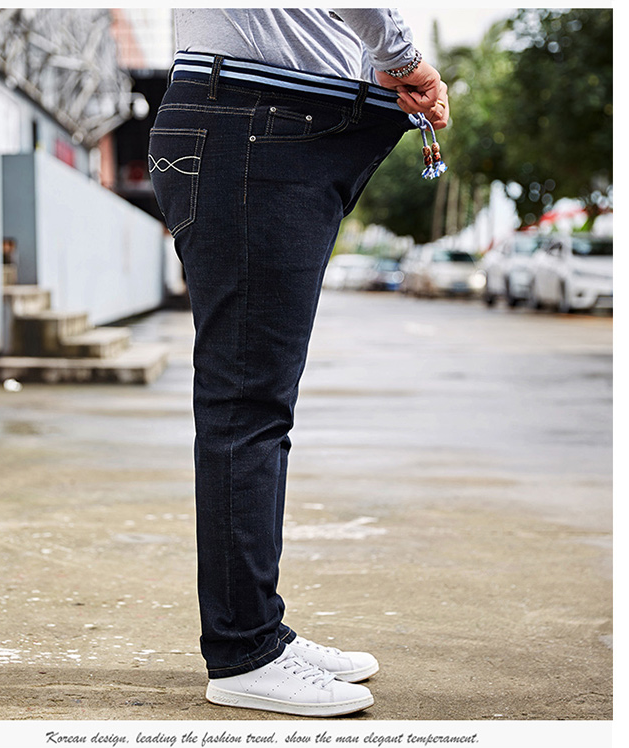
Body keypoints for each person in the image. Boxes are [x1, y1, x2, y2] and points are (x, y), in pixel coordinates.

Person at [148, 8, 449, 718]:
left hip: (266, 125)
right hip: (257, 124)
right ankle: (244, 653)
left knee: (258, 403)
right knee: (246, 403)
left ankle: (259, 630)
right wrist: (402, 60)